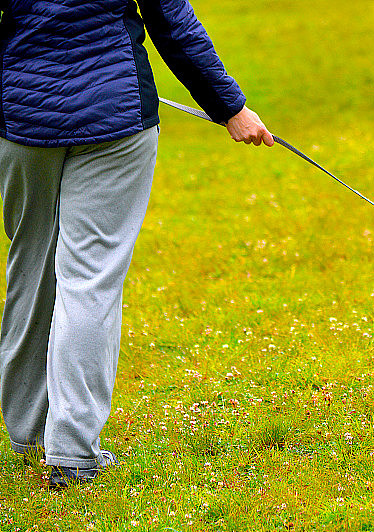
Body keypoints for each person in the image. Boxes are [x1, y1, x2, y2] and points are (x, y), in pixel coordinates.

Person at [0, 0, 272, 488]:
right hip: (116, 114)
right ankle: (71, 453)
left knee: (30, 268)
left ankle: (27, 435)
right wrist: (230, 107)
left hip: (23, 121)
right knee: (90, 280)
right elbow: (172, 21)